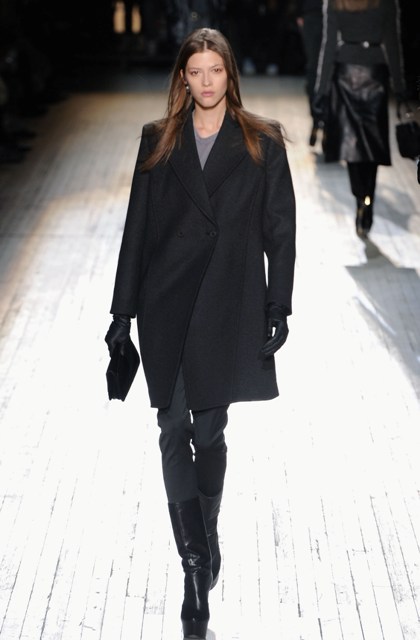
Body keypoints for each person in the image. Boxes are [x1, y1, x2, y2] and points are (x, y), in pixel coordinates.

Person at [105, 27, 295, 639]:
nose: (207, 81)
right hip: (166, 306)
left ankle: (206, 533)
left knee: (210, 432)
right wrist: (121, 316)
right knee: (171, 429)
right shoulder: (158, 140)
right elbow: (136, 231)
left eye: (216, 70)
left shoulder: (261, 141)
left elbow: (280, 231)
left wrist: (278, 304)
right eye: (196, 71)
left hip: (226, 305)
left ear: (228, 74)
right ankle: (194, 570)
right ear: (183, 78)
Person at [313, 0, 406, 238]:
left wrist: (320, 90)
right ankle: (368, 198)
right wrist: (400, 87)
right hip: (375, 73)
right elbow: (392, 43)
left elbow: (328, 44)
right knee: (371, 143)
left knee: (352, 144)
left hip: (345, 72)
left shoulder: (336, 2)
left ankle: (359, 199)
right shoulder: (386, 3)